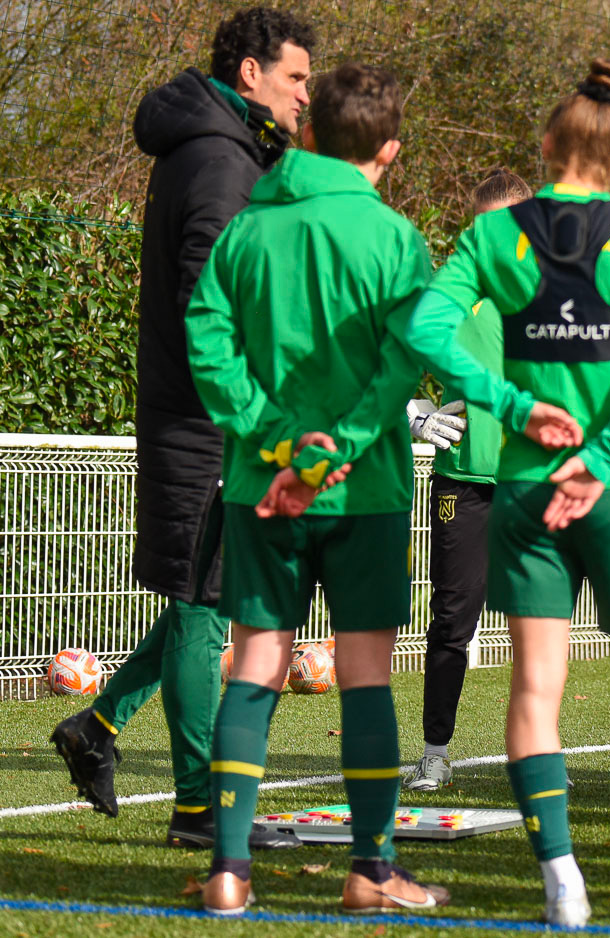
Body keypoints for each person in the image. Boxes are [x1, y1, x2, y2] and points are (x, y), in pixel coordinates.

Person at [188, 63, 560, 915]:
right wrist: (336, 451)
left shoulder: (248, 227)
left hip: (259, 483)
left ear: (308, 130)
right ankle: (370, 869)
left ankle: (229, 871)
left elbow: (207, 344)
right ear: (389, 149)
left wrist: (280, 446)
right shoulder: (393, 239)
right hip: (366, 490)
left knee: (254, 667)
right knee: (362, 678)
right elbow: (404, 363)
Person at [404, 59, 610, 927]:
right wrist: (608, 452)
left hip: (520, 490)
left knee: (534, 689)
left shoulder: (496, 236)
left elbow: (427, 324)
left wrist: (507, 402)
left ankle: (563, 885)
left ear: (547, 147)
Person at [50, 6, 314, 852]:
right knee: (206, 608)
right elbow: (213, 303)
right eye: (296, 78)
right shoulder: (216, 160)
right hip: (207, 423)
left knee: (210, 597)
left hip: (202, 417)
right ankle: (202, 810)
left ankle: (98, 725)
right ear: (250, 75)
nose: (305, 96)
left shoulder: (222, 149)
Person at [404, 169, 534, 792]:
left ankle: (537, 754)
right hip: (464, 481)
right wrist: (414, 413)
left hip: (536, 481)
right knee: (452, 619)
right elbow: (386, 359)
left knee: (538, 619)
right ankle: (434, 751)